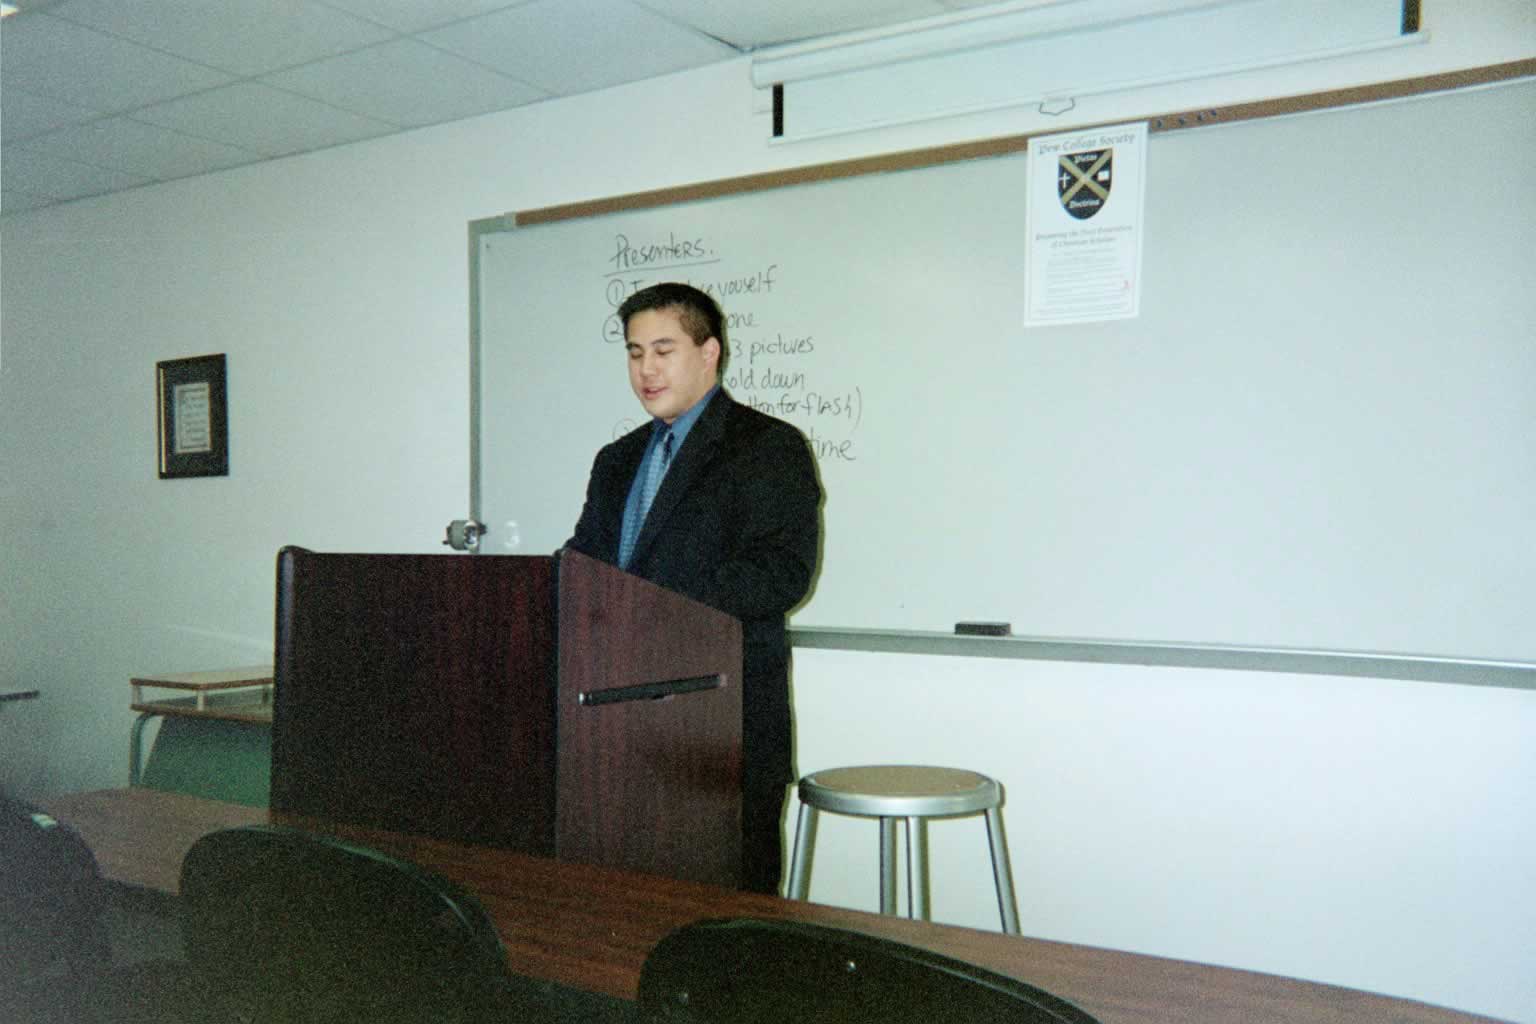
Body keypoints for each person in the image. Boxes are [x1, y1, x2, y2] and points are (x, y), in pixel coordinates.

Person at [566, 282, 821, 894]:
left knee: (732, 928)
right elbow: (584, 563)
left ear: (709, 353)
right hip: (618, 728)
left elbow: (780, 572)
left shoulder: (768, 447)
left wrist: (650, 605)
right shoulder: (616, 459)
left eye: (663, 350)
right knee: (626, 912)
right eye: (633, 353)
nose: (646, 370)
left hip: (721, 728)